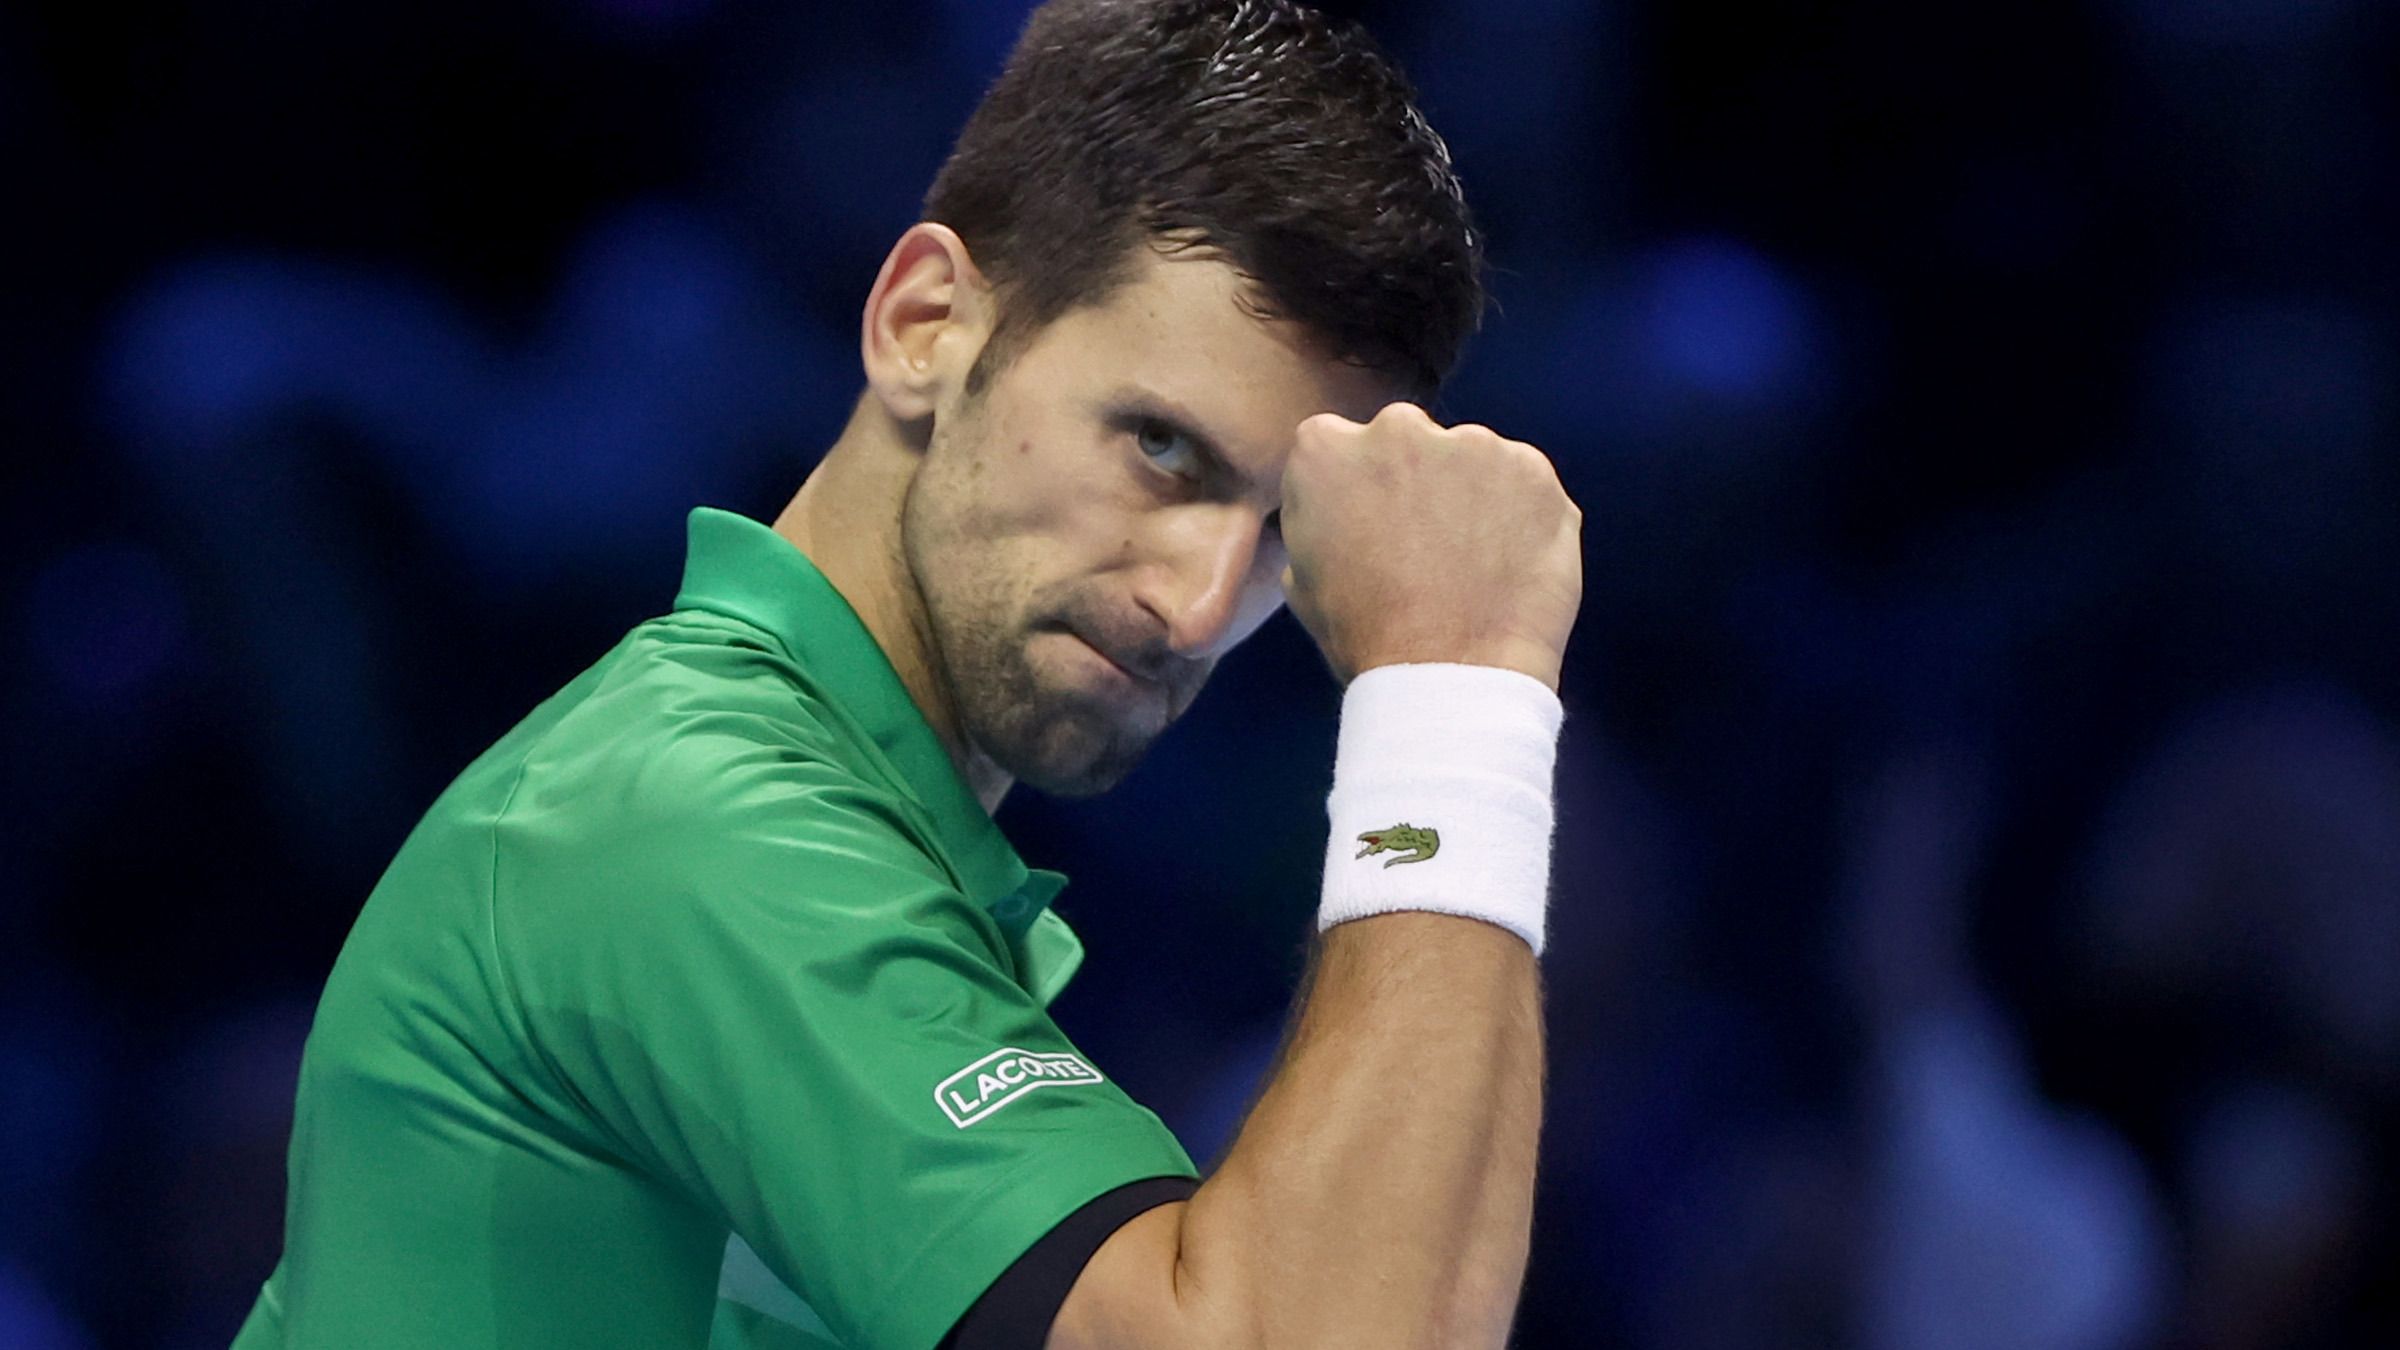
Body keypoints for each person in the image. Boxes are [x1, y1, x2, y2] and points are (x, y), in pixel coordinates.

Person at [231, 0, 1582, 1345]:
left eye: (1285, 526)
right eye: (1161, 449)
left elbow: (1415, 1318)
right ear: (925, 322)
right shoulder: (690, 814)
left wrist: (1481, 726)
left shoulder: (836, 831)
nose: (1200, 603)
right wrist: (1452, 696)